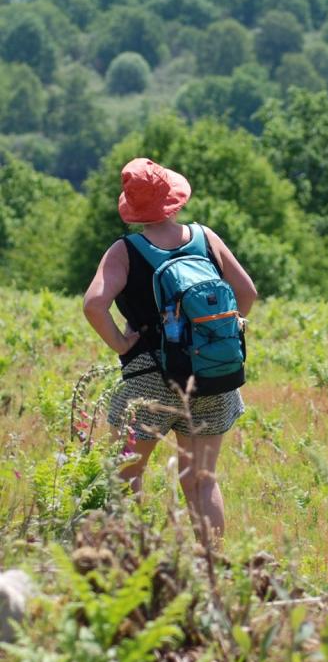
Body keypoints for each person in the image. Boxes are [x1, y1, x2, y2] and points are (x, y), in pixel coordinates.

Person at [83, 157, 257, 543]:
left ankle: (134, 564)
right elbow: (247, 294)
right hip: (210, 375)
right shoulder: (205, 237)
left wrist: (122, 342)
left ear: (132, 207)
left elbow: (94, 304)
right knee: (201, 481)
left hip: (150, 378)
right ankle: (213, 568)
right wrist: (216, 332)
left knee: (126, 476)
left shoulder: (125, 251)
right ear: (173, 198)